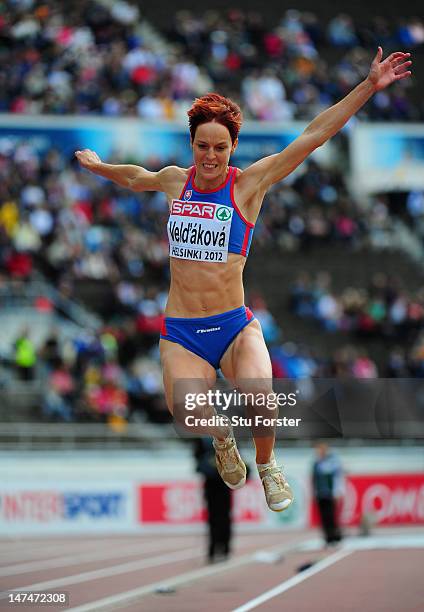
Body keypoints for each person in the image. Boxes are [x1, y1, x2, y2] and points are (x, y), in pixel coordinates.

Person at [76, 48, 412, 512]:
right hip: (183, 330)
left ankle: (269, 464)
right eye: (202, 146)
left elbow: (314, 135)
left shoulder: (248, 185)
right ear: (192, 145)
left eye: (220, 147)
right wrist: (99, 168)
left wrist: (368, 87)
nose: (210, 156)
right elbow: (136, 178)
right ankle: (221, 437)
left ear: (232, 147)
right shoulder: (177, 181)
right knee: (187, 411)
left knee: (261, 396)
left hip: (233, 325)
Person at [194, 437, 233, 563]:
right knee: (215, 518)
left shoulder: (228, 438)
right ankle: (215, 550)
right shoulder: (202, 440)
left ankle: (223, 549)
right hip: (213, 485)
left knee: (223, 518)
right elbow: (198, 462)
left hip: (223, 484)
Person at [312, 442, 344, 546]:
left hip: (330, 494)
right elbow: (314, 479)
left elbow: (336, 477)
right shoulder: (316, 463)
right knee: (323, 517)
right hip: (320, 494)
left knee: (331, 515)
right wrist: (314, 492)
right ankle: (327, 537)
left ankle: (335, 536)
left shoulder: (331, 463)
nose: (319, 452)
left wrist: (337, 491)